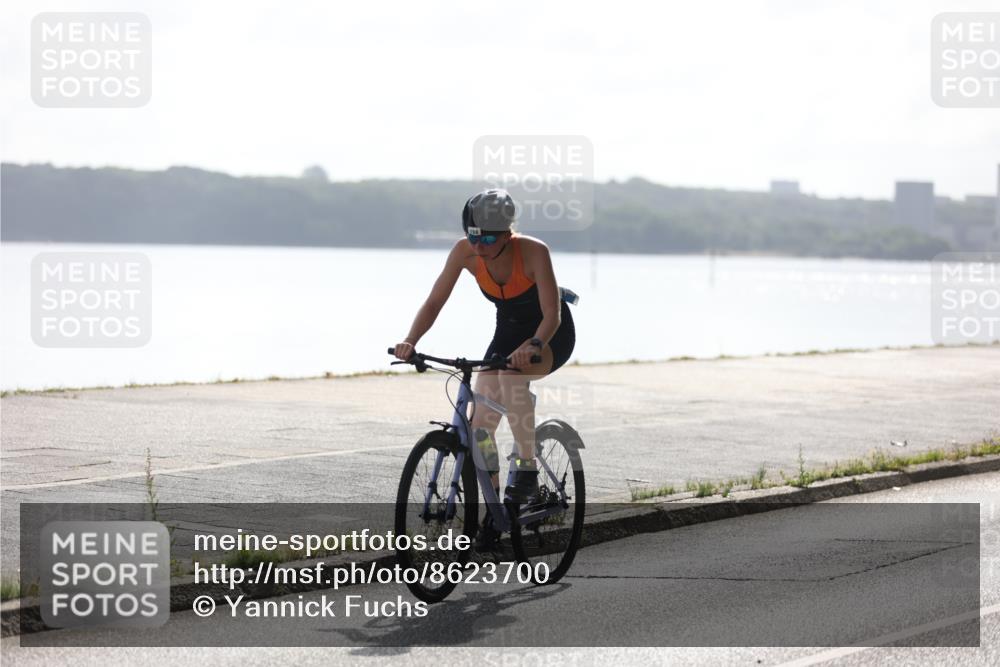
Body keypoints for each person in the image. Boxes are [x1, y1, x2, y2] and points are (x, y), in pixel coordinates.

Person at [392, 189, 576, 526]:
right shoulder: (465, 253)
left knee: (510, 377)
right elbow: (434, 303)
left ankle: (526, 467)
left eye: (489, 237)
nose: (480, 244)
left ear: (508, 233)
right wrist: (409, 341)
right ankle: (496, 510)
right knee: (479, 430)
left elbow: (553, 314)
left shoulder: (534, 252)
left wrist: (533, 344)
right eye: (473, 235)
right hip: (507, 330)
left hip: (549, 333)